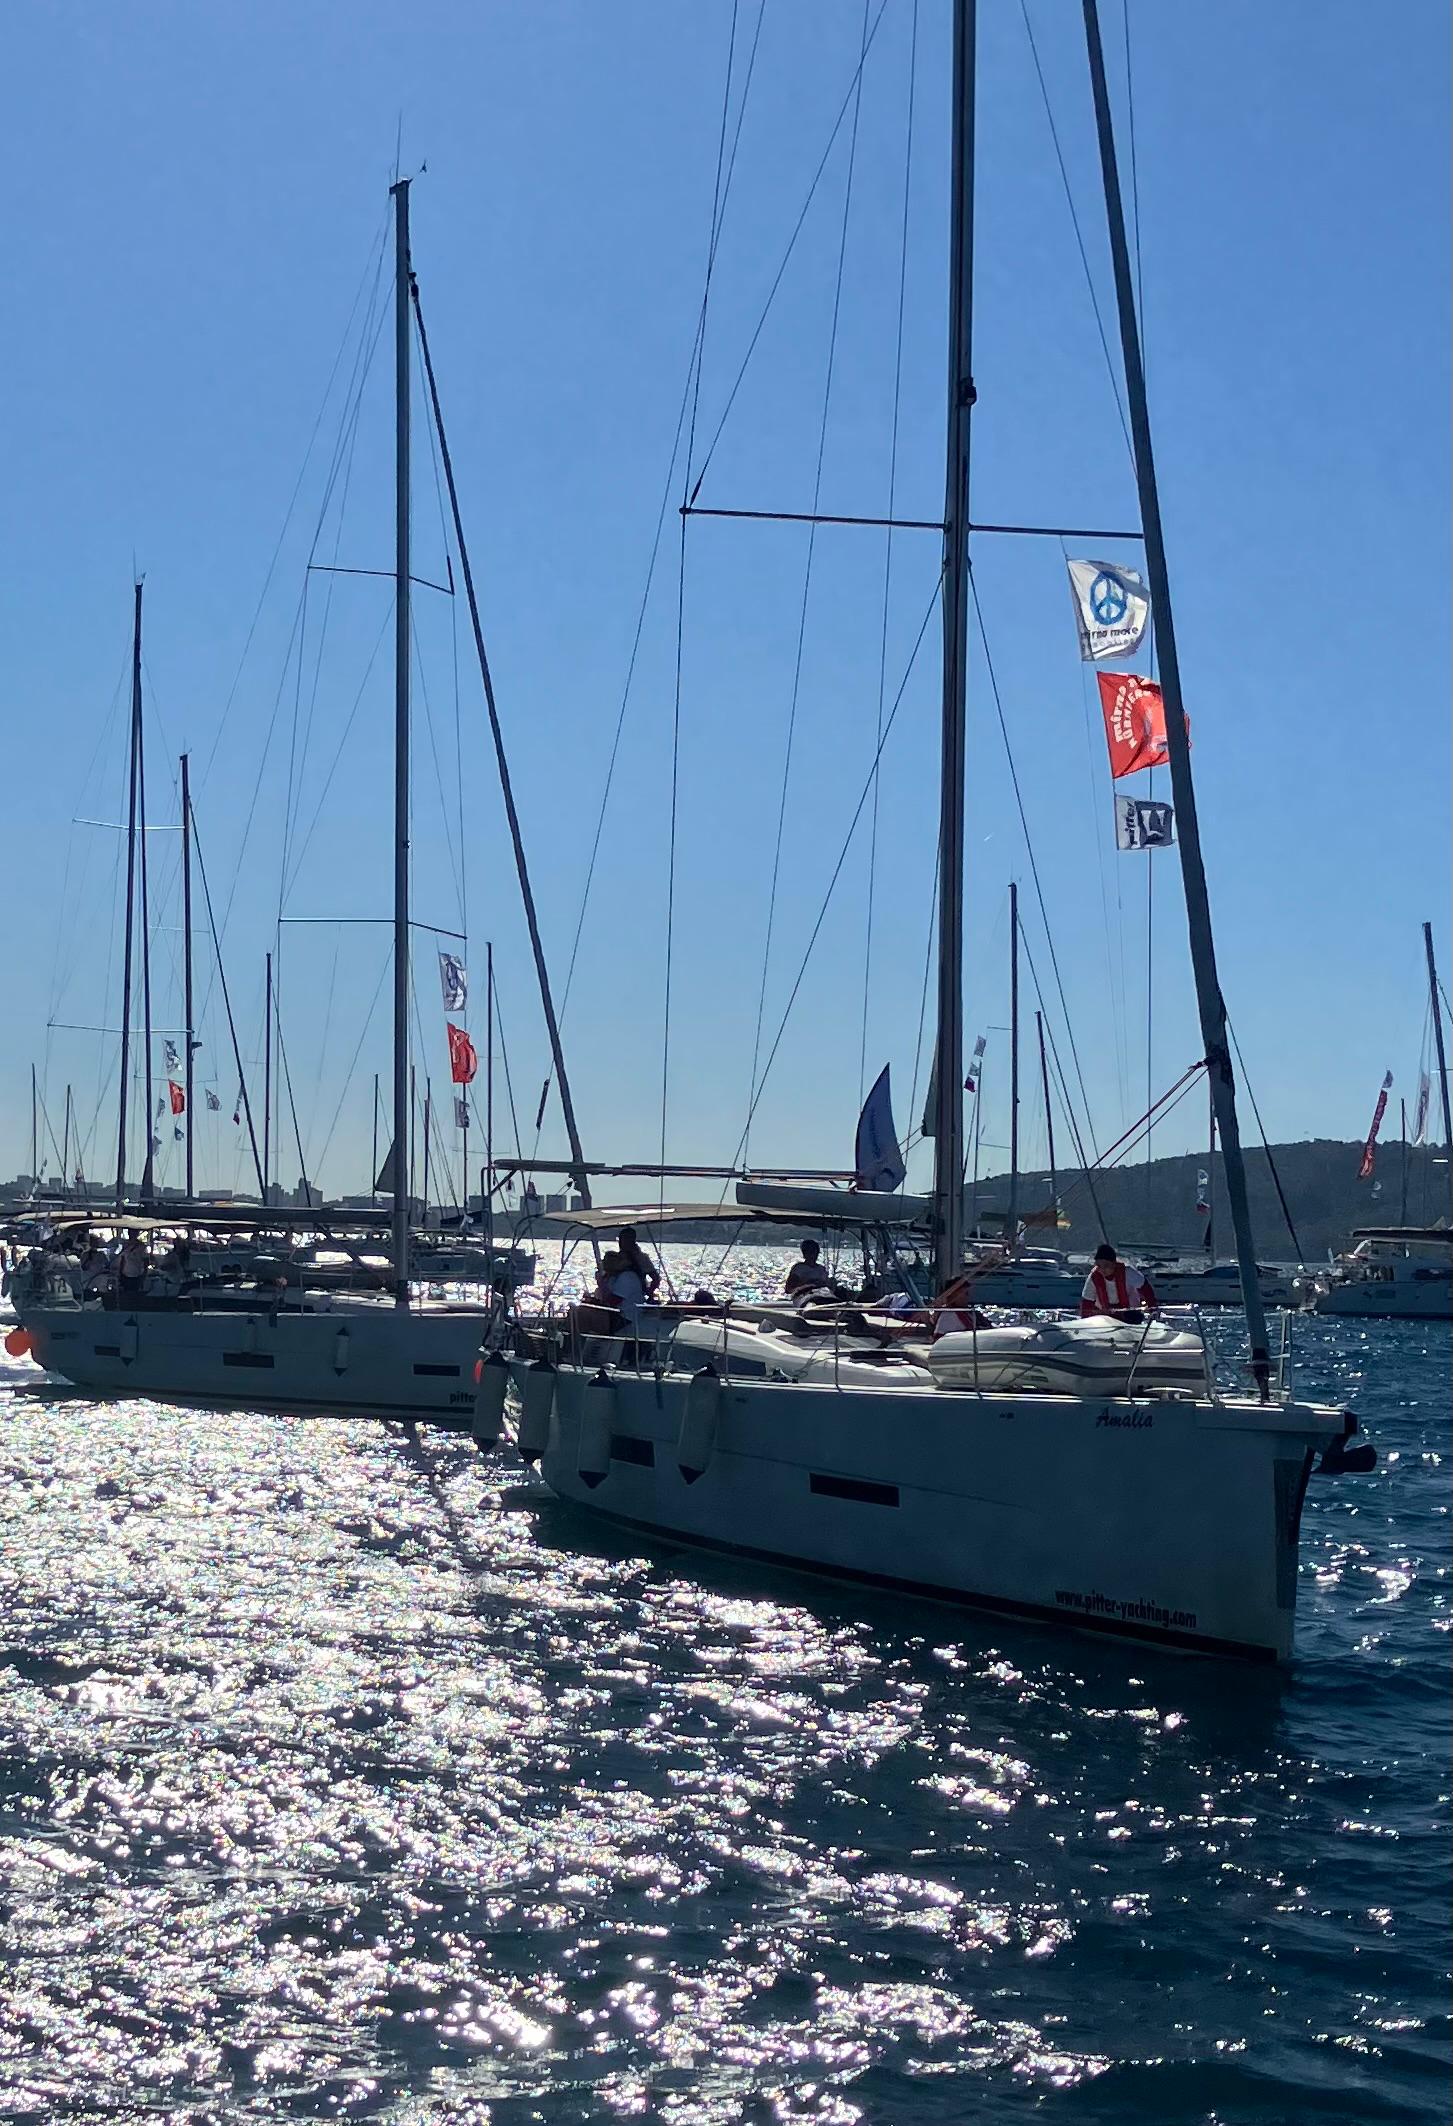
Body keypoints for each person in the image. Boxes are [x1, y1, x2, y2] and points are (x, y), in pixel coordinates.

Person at [1080, 1242, 1157, 1320]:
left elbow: (1146, 1290)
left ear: (1114, 1263)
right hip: (1105, 1317)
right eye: (1099, 1266)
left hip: (1130, 1314)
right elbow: (1087, 1302)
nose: (1102, 1269)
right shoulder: (1094, 1277)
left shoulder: (1128, 1272)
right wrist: (1084, 1321)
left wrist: (1152, 1310)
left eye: (1106, 1265)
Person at [616, 1226, 661, 1302]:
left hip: (635, 1296)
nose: (621, 1243)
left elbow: (656, 1278)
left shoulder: (642, 1258)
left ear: (632, 1240)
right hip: (618, 1295)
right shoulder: (616, 1257)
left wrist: (648, 1292)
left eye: (624, 1240)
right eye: (620, 1240)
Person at [118, 1229, 149, 1299]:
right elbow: (122, 1260)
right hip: (125, 1274)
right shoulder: (125, 1245)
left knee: (135, 1295)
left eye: (134, 1233)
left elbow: (146, 1261)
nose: (131, 1235)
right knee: (125, 1294)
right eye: (130, 1233)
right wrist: (120, 1273)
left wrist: (144, 1275)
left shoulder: (142, 1246)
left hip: (137, 1274)